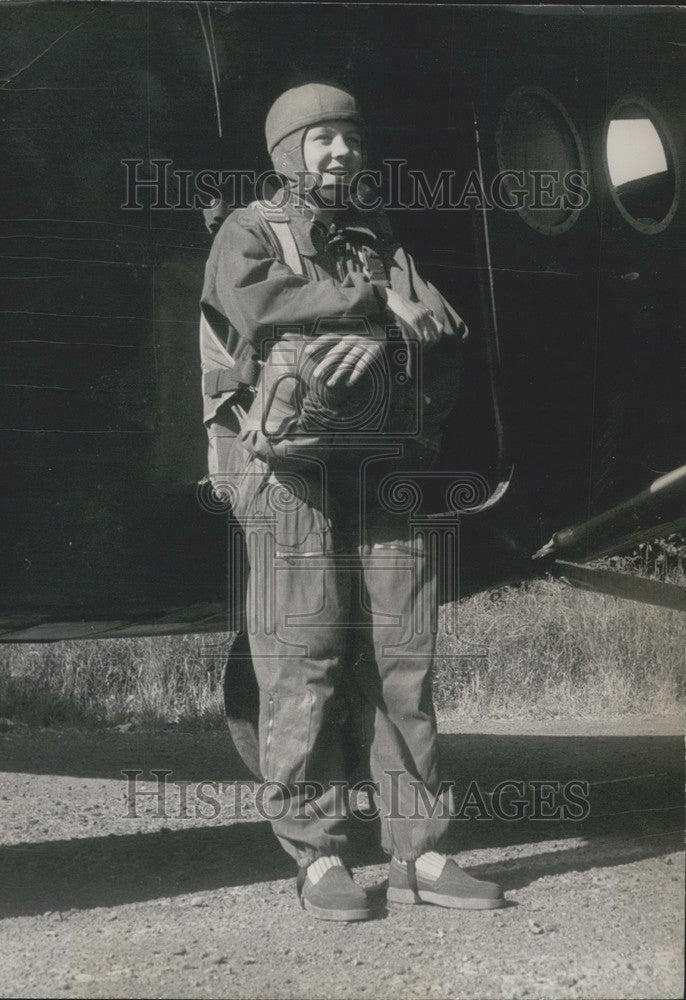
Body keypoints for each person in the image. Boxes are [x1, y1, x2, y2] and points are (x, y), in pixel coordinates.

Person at [200, 83, 505, 920]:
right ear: (286, 153)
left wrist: (383, 330)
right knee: (305, 656)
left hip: (381, 464)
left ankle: (422, 852)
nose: (339, 152)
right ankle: (319, 855)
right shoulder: (247, 232)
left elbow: (442, 327)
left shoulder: (382, 241)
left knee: (404, 657)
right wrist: (376, 306)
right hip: (287, 472)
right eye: (319, 139)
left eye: (349, 138)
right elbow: (257, 306)